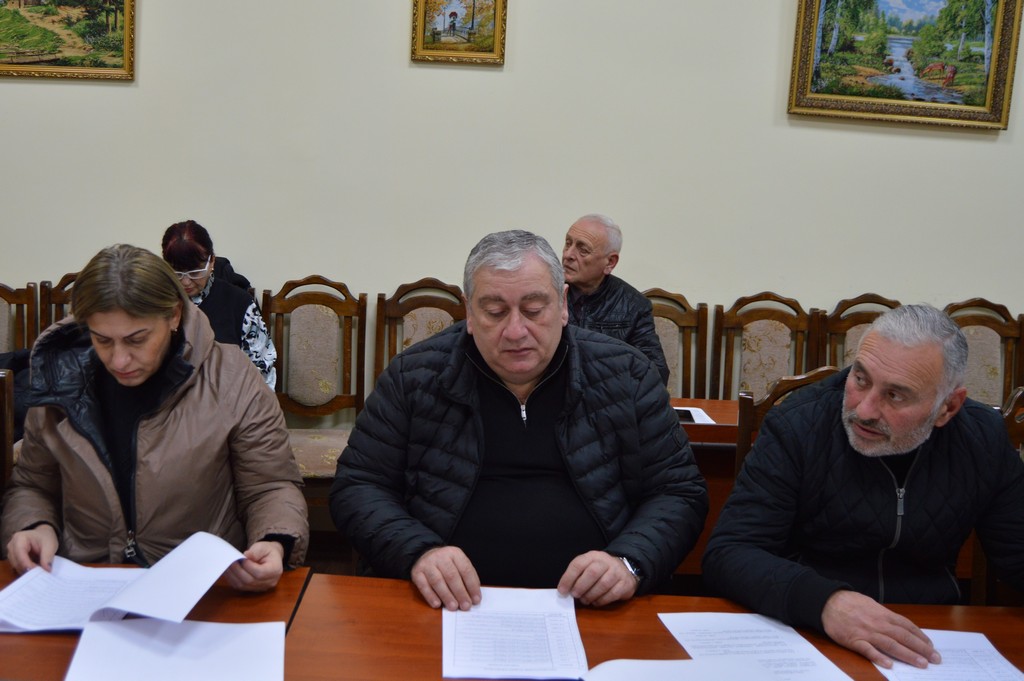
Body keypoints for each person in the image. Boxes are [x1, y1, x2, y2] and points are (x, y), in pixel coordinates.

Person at [331, 230, 707, 611]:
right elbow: (358, 485)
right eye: (495, 312)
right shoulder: (414, 376)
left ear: (563, 305)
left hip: (595, 609)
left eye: (534, 309)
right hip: (445, 607)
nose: (515, 332)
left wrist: (628, 561)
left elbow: (679, 491)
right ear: (469, 313)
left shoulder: (627, 374)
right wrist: (417, 552)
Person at [702, 304, 1024, 670]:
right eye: (860, 379)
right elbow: (730, 553)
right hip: (809, 633)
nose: (865, 410)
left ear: (947, 408)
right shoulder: (799, 425)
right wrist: (826, 602)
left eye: (895, 395)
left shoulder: (981, 439)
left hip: (930, 640)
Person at [2, 245, 308, 592]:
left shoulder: (232, 378)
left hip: (199, 587)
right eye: (102, 340)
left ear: (174, 315)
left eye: (137, 339)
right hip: (85, 583)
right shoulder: (61, 377)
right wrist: (35, 526)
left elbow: (269, 486)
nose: (119, 360)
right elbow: (33, 485)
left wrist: (273, 540)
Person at [161, 219, 277, 388]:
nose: (186, 281)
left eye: (195, 272)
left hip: (229, 399)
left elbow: (263, 370)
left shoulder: (240, 303)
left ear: (212, 261)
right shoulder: (156, 303)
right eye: (177, 272)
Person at [561, 214, 669, 385]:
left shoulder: (633, 305)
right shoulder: (547, 294)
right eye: (568, 243)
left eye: (583, 250)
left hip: (608, 398)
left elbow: (656, 373)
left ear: (610, 262)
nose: (568, 254)